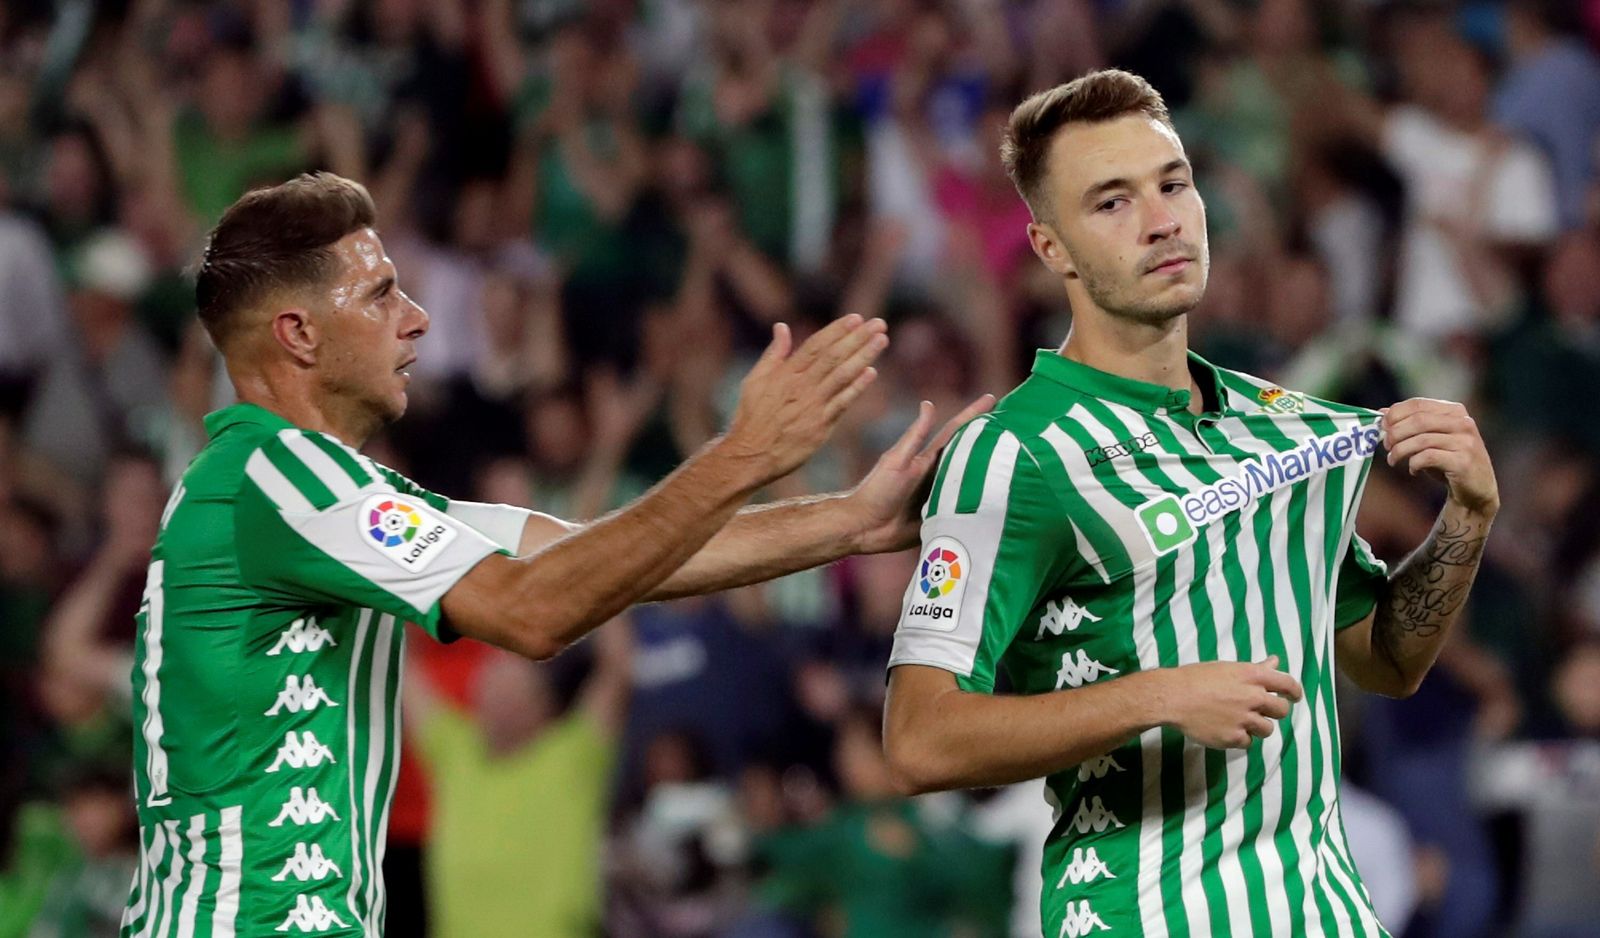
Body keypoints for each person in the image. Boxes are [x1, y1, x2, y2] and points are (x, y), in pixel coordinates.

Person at [120, 172, 988, 938]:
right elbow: (533, 609)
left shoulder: (296, 489)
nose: (418, 319)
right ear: (300, 335)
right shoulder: (279, 479)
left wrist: (852, 521)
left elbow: (601, 556)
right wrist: (743, 455)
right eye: (381, 296)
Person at [882, 70, 1500, 938]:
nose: (1161, 219)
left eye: (1173, 185)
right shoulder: (1016, 454)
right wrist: (1154, 697)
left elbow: (1386, 661)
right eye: (1112, 202)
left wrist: (1466, 519)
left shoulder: (1286, 426)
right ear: (1052, 248)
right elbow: (919, 742)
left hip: (1326, 914)